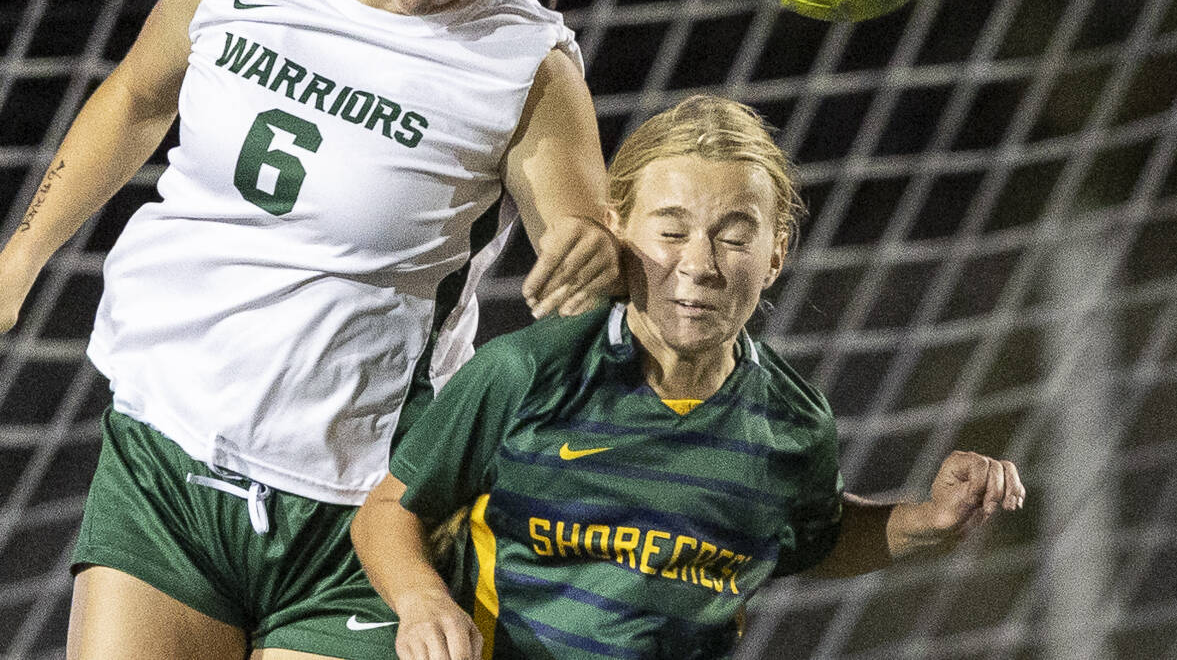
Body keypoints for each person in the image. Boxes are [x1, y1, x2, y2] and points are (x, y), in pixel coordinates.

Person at [0, 0, 621, 660]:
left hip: (370, 509)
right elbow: (134, 99)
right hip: (168, 454)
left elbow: (585, 279)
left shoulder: (527, 68)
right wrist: (17, 264)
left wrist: (597, 262)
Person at [350, 94, 1026, 660]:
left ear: (775, 255)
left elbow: (810, 537)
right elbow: (387, 513)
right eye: (670, 231)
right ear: (616, 228)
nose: (698, 264)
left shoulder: (793, 422)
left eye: (734, 236)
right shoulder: (527, 372)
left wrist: (925, 521)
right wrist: (423, 604)